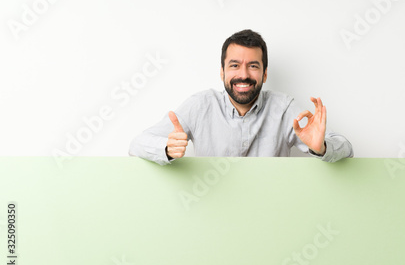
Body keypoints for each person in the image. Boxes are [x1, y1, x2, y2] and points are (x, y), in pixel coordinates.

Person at [129, 29, 353, 165]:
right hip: (211, 216)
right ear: (222, 72)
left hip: (271, 217)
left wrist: (321, 147)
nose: (244, 75)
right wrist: (167, 150)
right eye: (235, 65)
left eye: (253, 66)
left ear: (265, 73)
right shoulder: (200, 106)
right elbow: (137, 145)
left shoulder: (284, 108)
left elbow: (346, 149)